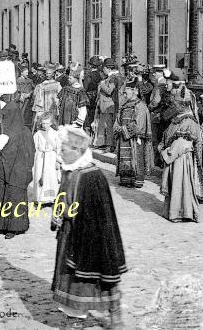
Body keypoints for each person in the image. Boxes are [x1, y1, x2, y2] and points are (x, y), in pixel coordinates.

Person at [51, 125, 127, 329]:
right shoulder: (70, 171)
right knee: (74, 275)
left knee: (96, 273)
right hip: (71, 235)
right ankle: (77, 315)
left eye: (64, 149)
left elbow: (97, 214)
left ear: (78, 151)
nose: (60, 153)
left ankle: (97, 314)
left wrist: (69, 214)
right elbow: (62, 197)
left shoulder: (93, 176)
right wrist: (58, 214)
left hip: (90, 237)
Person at [0, 100, 35, 239]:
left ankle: (13, 227)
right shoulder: (0, 129)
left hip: (17, 170)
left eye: (8, 115)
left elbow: (30, 152)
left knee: (13, 196)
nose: (5, 118)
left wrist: (23, 166)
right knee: (0, 193)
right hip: (1, 168)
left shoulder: (25, 132)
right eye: (4, 115)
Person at [159, 84, 202, 222]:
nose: (174, 106)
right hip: (176, 157)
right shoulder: (179, 117)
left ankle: (181, 213)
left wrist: (166, 153)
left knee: (180, 184)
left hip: (181, 159)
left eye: (176, 104)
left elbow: (181, 144)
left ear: (183, 105)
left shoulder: (188, 121)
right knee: (176, 185)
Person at [114, 79, 152, 188]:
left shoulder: (140, 106)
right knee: (124, 157)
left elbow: (138, 126)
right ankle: (126, 179)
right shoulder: (125, 105)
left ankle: (137, 180)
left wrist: (122, 129)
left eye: (126, 92)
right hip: (124, 137)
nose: (124, 95)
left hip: (135, 139)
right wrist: (117, 127)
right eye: (124, 93)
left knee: (136, 158)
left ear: (135, 91)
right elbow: (118, 120)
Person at [32, 112, 60, 204]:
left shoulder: (55, 134)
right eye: (43, 123)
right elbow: (34, 147)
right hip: (40, 158)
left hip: (51, 158)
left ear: (51, 123)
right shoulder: (38, 134)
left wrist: (58, 161)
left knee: (51, 178)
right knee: (39, 177)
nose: (44, 125)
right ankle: (40, 199)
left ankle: (52, 198)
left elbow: (59, 148)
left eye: (47, 123)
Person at [58, 62, 88, 127]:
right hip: (63, 119)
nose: (68, 79)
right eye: (68, 78)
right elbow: (59, 102)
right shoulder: (65, 89)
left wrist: (78, 122)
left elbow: (83, 109)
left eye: (70, 78)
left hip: (74, 121)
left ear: (76, 79)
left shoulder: (80, 91)